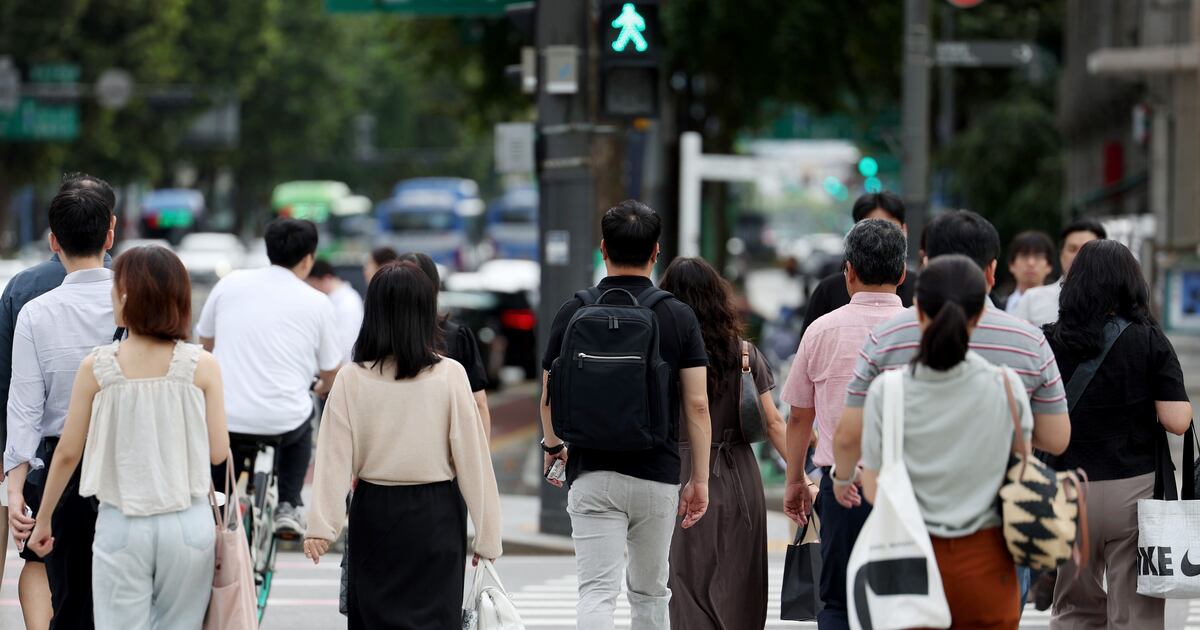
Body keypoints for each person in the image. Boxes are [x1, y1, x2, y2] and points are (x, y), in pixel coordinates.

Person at [831, 210, 1072, 610]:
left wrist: (842, 480)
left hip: (906, 552)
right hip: (994, 552)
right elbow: (1056, 438)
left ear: (924, 265)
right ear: (992, 272)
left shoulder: (886, 338)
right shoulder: (1028, 343)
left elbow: (849, 437)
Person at [26, 246, 230, 628]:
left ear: (126, 296)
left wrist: (44, 519)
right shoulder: (202, 365)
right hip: (186, 521)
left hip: (122, 521)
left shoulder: (98, 366)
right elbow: (219, 452)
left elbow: (68, 452)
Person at [540, 200, 711, 630]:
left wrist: (554, 446)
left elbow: (547, 395)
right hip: (656, 474)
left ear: (603, 248)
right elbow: (697, 404)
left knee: (597, 591)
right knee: (650, 593)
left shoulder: (572, 311)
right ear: (656, 252)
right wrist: (700, 479)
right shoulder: (677, 316)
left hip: (591, 472)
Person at [302, 261, 501, 628]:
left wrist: (322, 525)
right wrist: (487, 534)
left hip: (375, 512)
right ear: (425, 313)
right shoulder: (450, 375)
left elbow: (333, 456)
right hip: (437, 514)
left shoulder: (351, 379)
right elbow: (473, 459)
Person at [857, 255, 1052, 629]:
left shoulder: (889, 391)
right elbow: (1021, 471)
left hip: (908, 566)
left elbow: (872, 489)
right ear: (980, 317)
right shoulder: (1008, 387)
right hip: (989, 565)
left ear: (918, 313)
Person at [1044, 240, 1192, 630]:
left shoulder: (1049, 340)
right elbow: (1177, 420)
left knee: (1074, 607)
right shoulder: (1148, 338)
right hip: (1134, 493)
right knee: (1136, 613)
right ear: (1132, 284)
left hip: (1068, 489)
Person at [780, 218, 910, 629]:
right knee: (906, 599)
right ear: (903, 274)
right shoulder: (926, 331)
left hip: (843, 487)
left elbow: (799, 416)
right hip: (912, 487)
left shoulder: (822, 330)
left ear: (848, 271)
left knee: (836, 600)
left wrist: (796, 480)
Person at [0, 173, 115, 628]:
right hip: (128, 462)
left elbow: (23, 406)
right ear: (111, 231)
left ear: (53, 241)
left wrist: (14, 489)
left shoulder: (36, 311)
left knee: (62, 591)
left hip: (56, 475)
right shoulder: (136, 296)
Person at [658, 257, 786, 630]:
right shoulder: (744, 354)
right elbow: (774, 422)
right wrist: (800, 477)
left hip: (679, 472)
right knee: (740, 582)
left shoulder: (663, 354)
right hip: (740, 475)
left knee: (684, 583)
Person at [197, 218, 342, 536]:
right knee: (304, 417)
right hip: (284, 422)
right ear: (308, 259)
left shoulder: (230, 284)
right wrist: (321, 385)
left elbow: (205, 343)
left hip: (228, 418)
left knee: (224, 448)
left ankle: (218, 505)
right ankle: (289, 503)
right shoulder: (318, 303)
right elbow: (332, 369)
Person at [398, 252, 491, 435]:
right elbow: (478, 403)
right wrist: (482, 460)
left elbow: (479, 404)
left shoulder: (383, 337)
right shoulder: (455, 336)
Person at [801, 192, 917, 336]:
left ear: (904, 230)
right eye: (870, 226)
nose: (880, 235)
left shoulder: (921, 288)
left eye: (889, 226)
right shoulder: (828, 291)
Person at [1014, 220, 1106, 327]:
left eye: (1087, 250)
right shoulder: (1031, 300)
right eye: (1072, 249)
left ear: (1103, 257)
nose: (1079, 256)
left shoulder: (1113, 304)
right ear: (1061, 255)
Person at [306, 259, 364, 364]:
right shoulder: (336, 300)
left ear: (327, 279)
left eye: (314, 286)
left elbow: (346, 348)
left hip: (343, 371)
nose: (313, 291)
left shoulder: (347, 303)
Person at [1003, 231, 1056, 314]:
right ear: (1011, 265)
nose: (1031, 263)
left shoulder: (1058, 307)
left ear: (1049, 266)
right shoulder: (998, 307)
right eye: (1024, 256)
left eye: (1038, 256)